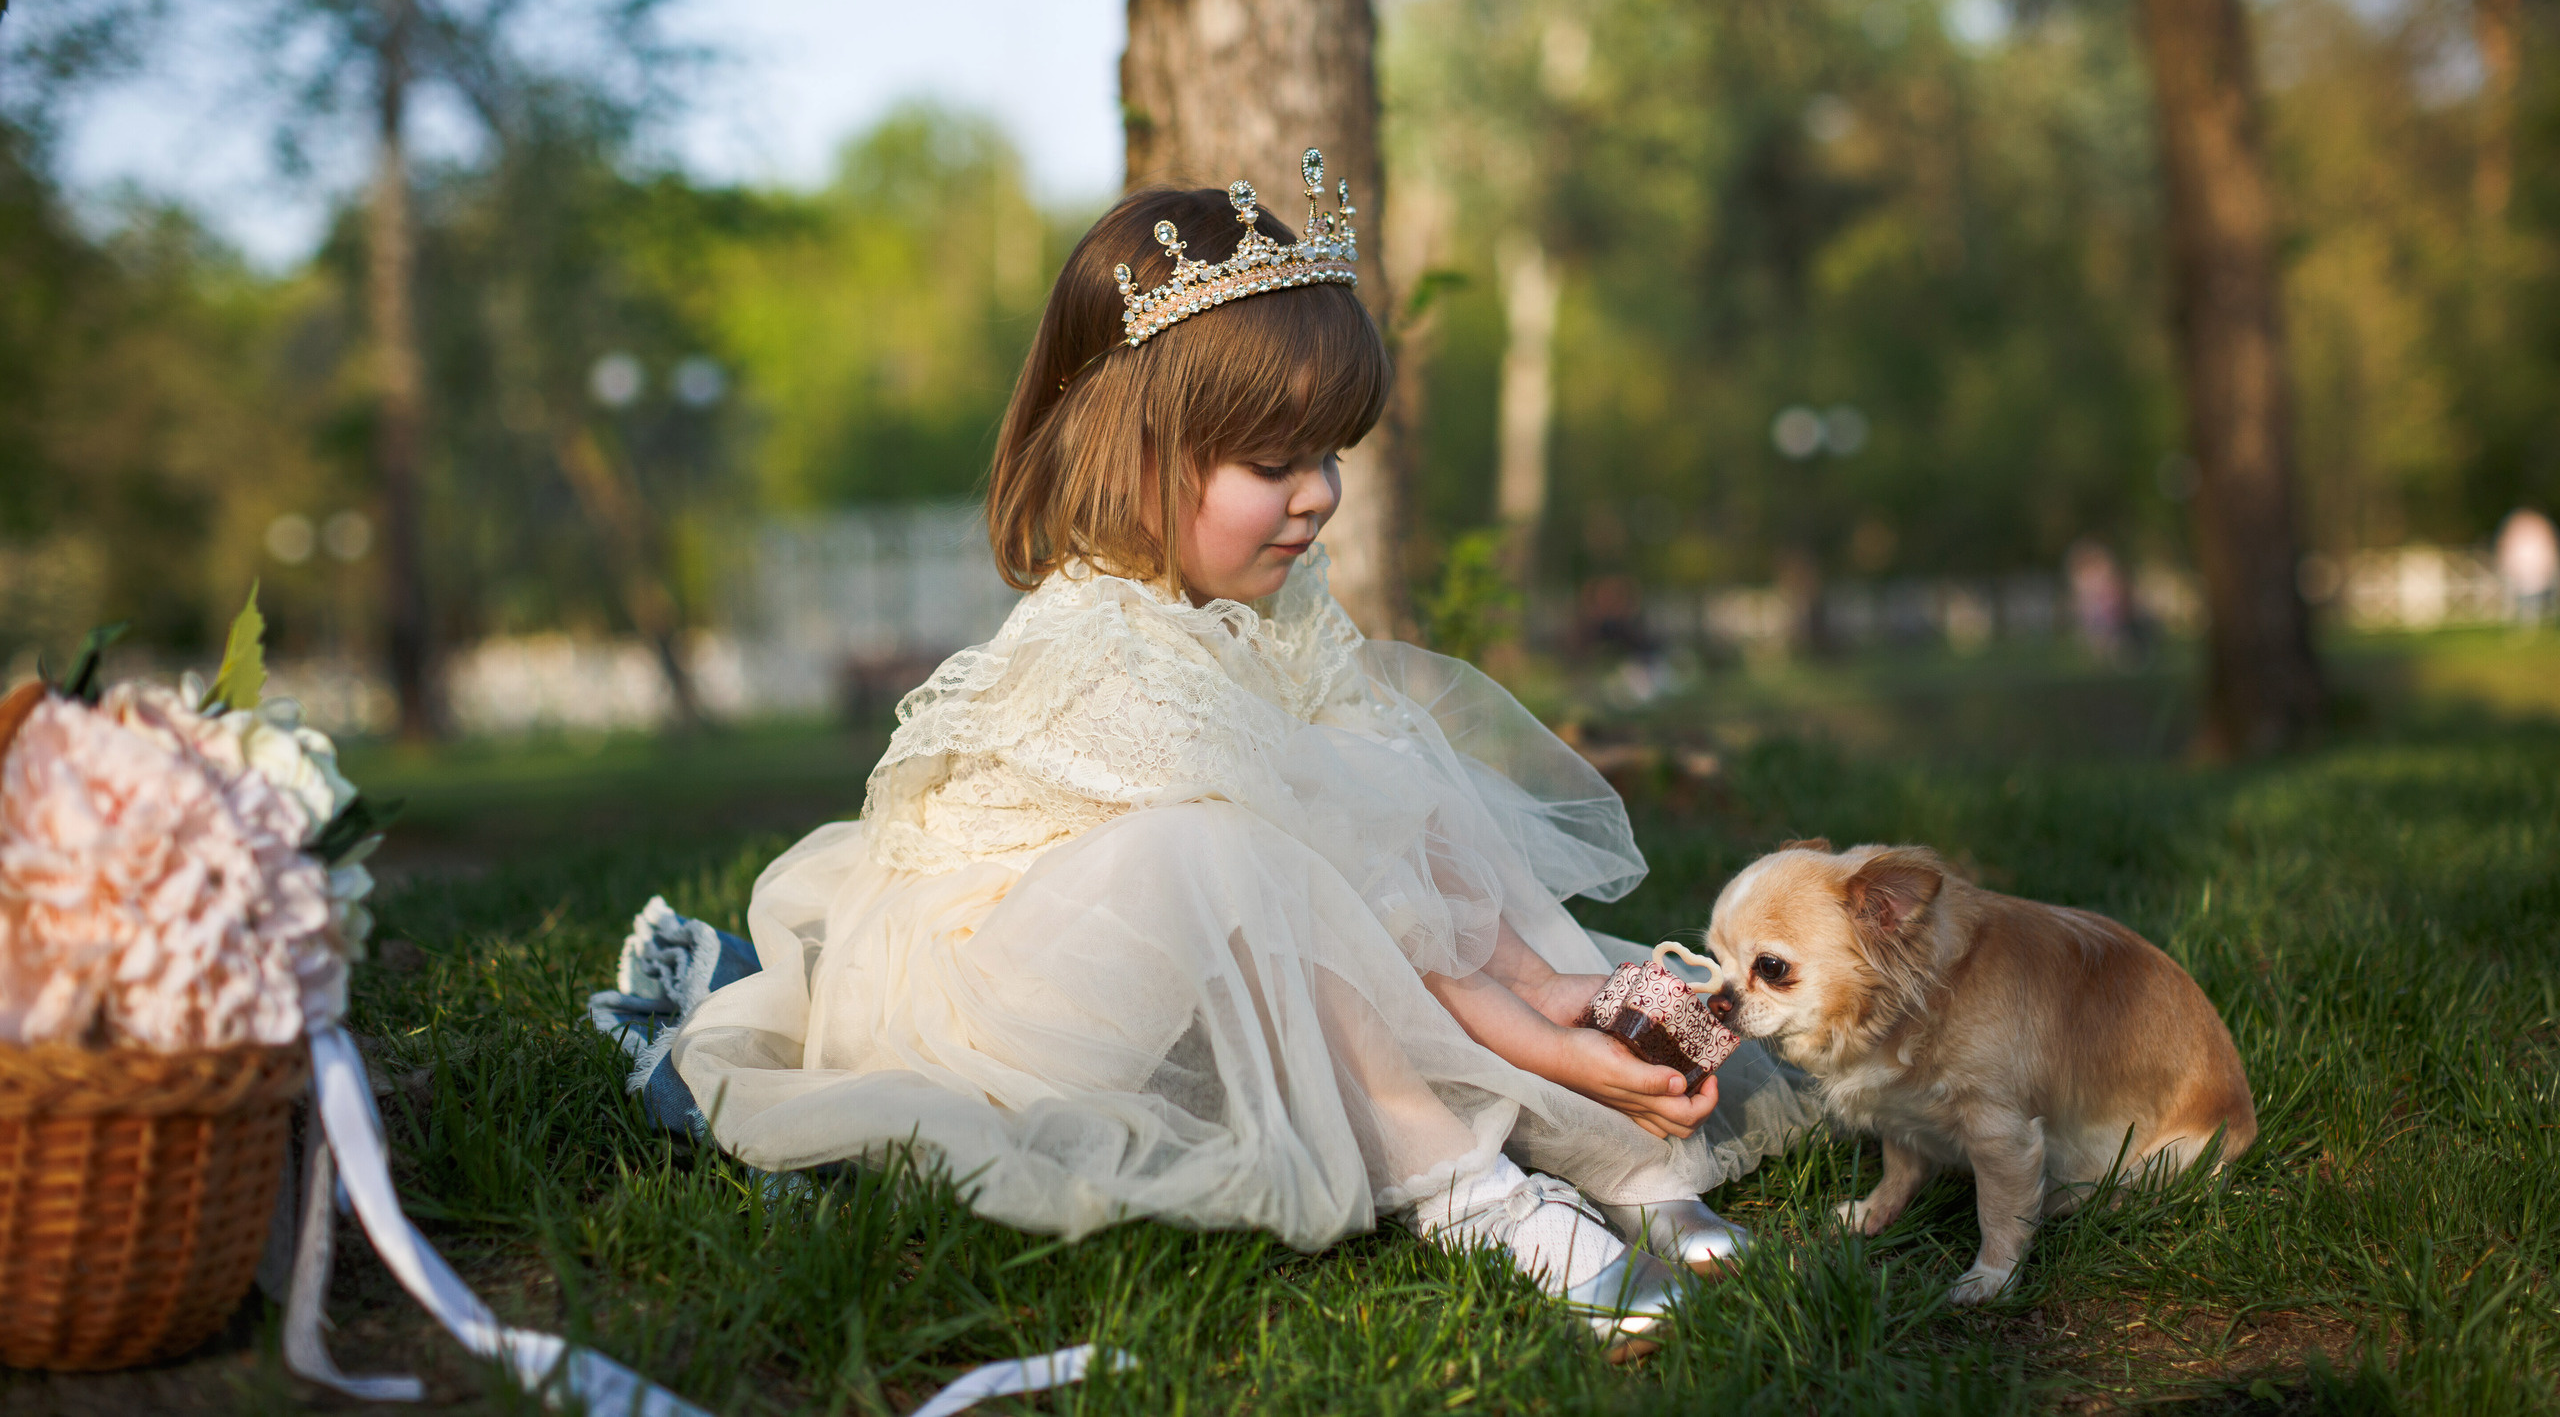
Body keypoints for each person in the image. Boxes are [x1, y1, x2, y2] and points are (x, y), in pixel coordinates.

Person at [656, 160, 1816, 1353]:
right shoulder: (1101, 644)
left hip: (1231, 937)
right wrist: (1528, 1038)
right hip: (1015, 998)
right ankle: (1466, 1193)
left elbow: (1384, 810)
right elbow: (1325, 882)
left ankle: (1616, 1158)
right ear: (1135, 451)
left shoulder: (1279, 606)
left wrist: (1548, 984)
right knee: (1223, 848)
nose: (1316, 498)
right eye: (1274, 465)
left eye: (1330, 457)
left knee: (1396, 764)